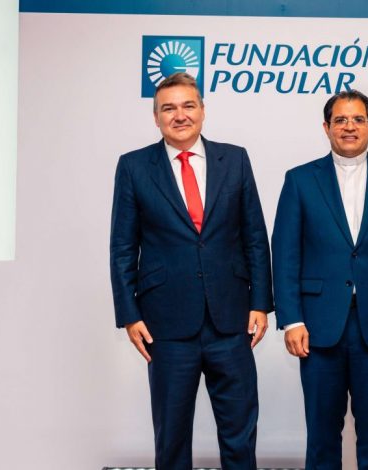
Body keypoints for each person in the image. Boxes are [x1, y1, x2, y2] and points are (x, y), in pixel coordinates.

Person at [109, 72, 273, 470]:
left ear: (202, 110)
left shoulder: (235, 159)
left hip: (230, 320)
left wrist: (260, 303)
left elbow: (255, 235)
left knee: (239, 435)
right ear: (156, 117)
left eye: (188, 105)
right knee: (172, 438)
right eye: (168, 108)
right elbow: (123, 247)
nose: (179, 115)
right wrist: (129, 314)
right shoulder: (133, 167)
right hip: (165, 325)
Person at [272, 90, 368, 469]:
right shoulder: (300, 180)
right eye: (340, 120)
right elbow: (285, 254)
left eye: (358, 119)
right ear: (326, 127)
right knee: (322, 438)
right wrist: (292, 320)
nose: (349, 127)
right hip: (317, 327)